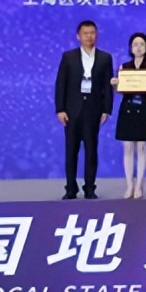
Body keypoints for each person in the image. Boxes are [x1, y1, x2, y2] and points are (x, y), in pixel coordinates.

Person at [54, 20, 113, 199]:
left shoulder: (105, 58)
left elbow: (107, 86)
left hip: (93, 110)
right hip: (72, 111)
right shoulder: (68, 57)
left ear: (97, 35)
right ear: (78, 36)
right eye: (85, 33)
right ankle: (71, 188)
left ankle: (90, 188)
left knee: (91, 150)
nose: (89, 36)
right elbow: (61, 84)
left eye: (92, 33)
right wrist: (60, 109)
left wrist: (107, 109)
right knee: (71, 151)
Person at [112, 32, 146, 199]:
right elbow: (120, 90)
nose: (138, 47)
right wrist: (115, 84)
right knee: (127, 147)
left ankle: (139, 185)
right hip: (127, 108)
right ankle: (129, 185)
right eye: (135, 44)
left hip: (143, 108)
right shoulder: (124, 67)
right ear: (131, 48)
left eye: (142, 44)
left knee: (141, 146)